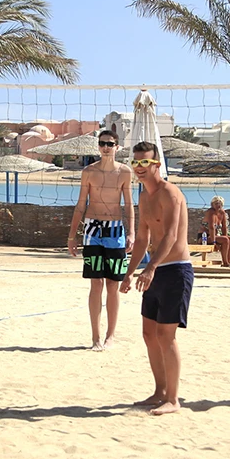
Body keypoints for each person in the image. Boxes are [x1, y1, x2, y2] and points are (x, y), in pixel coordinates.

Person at [121, 141, 189, 415]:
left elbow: (171, 236)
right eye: (135, 162)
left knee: (165, 334)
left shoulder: (169, 193)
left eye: (144, 162)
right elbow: (142, 239)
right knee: (149, 333)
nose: (139, 167)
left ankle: (173, 399)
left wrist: (150, 269)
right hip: (155, 270)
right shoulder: (143, 197)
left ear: (157, 165)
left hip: (175, 270)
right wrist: (129, 272)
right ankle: (159, 391)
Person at [67, 130, 134, 350]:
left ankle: (110, 336)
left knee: (113, 284)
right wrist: (72, 235)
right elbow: (80, 205)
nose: (106, 147)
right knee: (95, 283)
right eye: (103, 144)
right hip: (92, 228)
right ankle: (95, 337)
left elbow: (128, 206)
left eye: (110, 144)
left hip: (115, 230)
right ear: (98, 146)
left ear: (117, 147)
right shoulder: (88, 172)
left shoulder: (125, 172)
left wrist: (131, 232)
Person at [203, 196, 230, 267]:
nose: (218, 205)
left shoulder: (222, 212)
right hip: (205, 237)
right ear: (212, 204)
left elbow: (224, 227)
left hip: (215, 236)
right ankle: (225, 263)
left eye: (220, 203)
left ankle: (228, 262)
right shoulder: (210, 212)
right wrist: (214, 242)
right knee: (225, 239)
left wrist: (225, 236)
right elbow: (211, 227)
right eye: (216, 203)